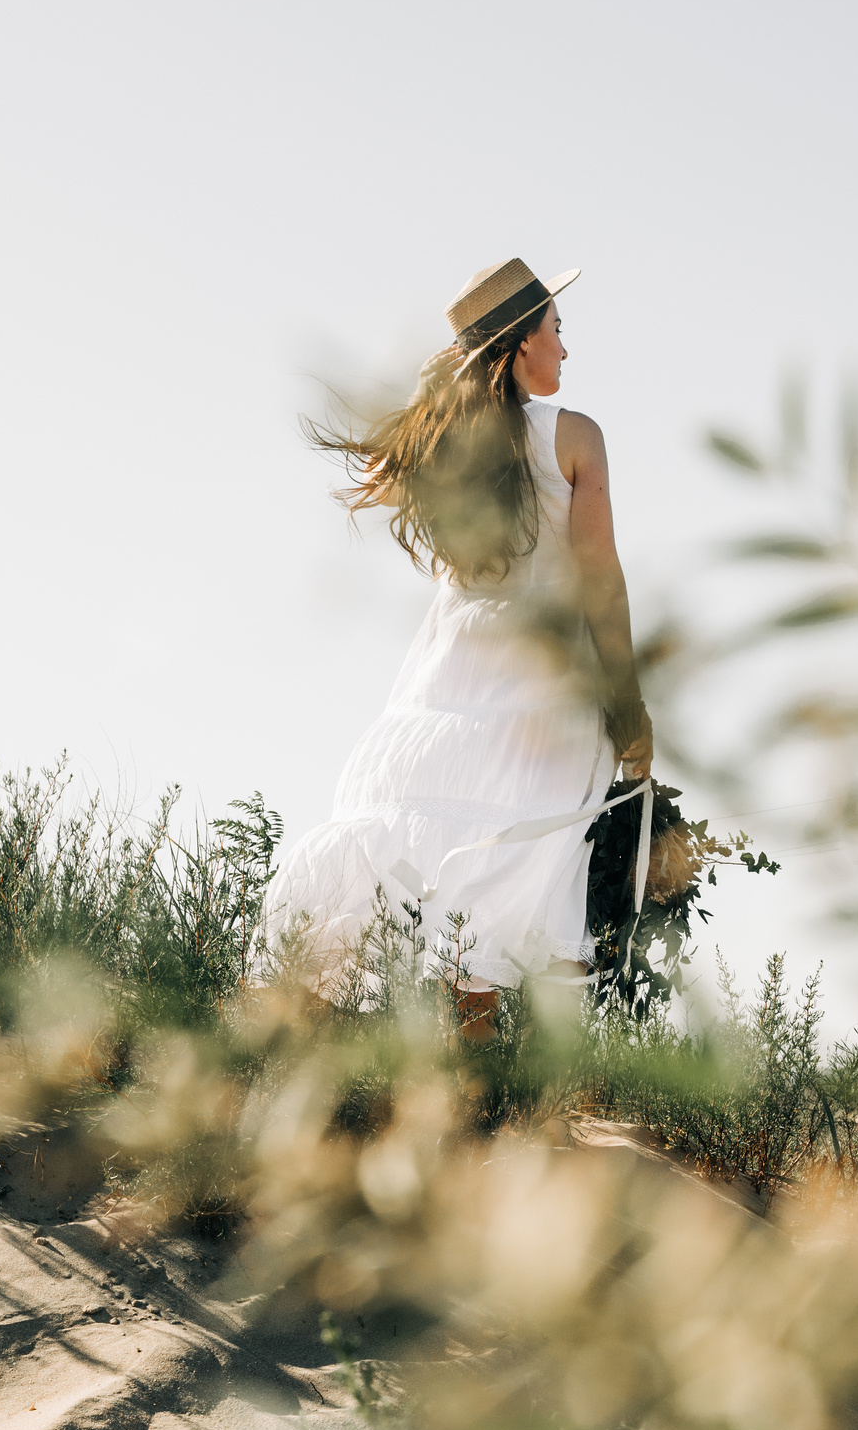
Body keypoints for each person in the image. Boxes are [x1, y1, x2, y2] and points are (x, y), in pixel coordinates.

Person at [263, 259, 653, 1033]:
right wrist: (627, 706)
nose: (565, 348)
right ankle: (486, 1086)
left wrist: (434, 390)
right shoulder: (574, 436)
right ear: (522, 341)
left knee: (407, 862)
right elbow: (599, 579)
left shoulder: (446, 450)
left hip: (444, 685)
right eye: (556, 329)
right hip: (539, 691)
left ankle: (279, 1054)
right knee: (515, 872)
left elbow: (403, 475)